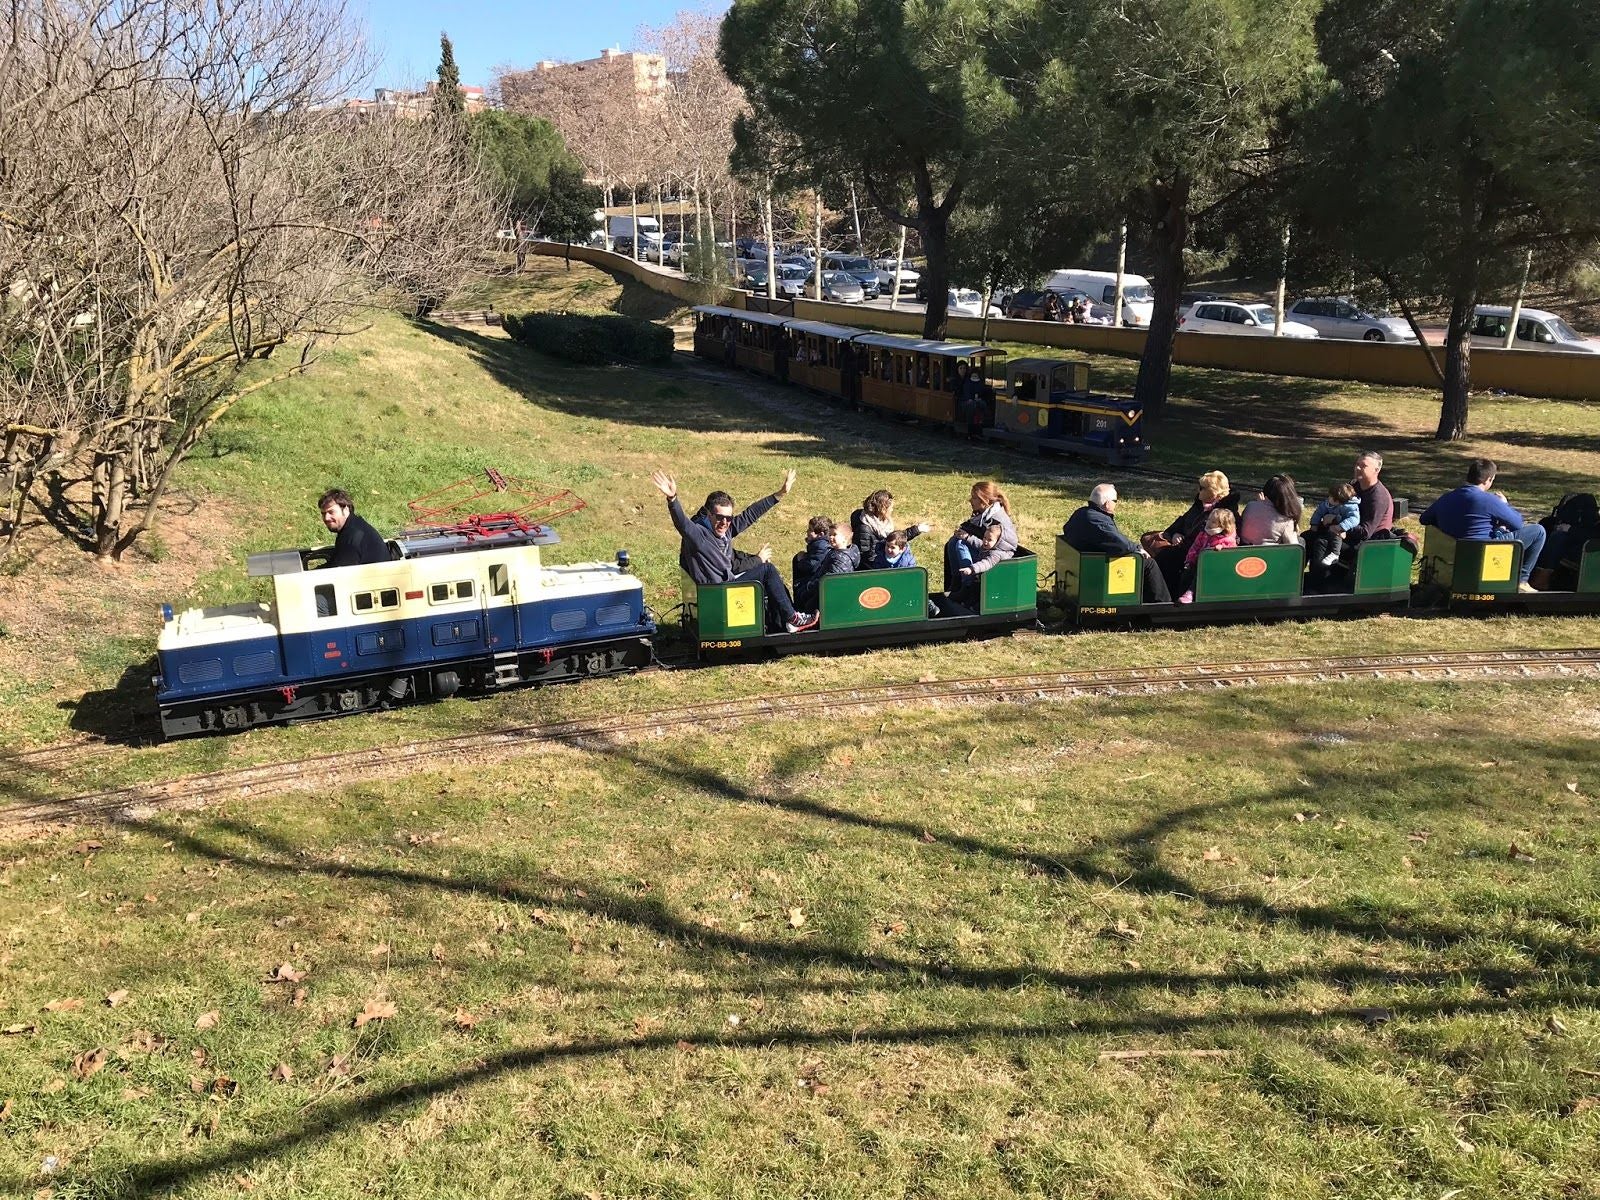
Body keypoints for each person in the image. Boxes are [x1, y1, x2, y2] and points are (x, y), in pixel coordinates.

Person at [651, 469, 817, 632]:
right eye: (719, 517)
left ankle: (781, 621)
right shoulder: (699, 536)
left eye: (729, 518)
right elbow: (683, 524)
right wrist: (672, 499)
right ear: (709, 515)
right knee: (767, 570)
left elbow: (750, 514)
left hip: (727, 585)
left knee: (766, 572)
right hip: (718, 593)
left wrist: (779, 494)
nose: (724, 522)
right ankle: (792, 619)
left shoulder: (726, 530)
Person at [1418, 458, 1547, 592]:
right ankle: (1522, 580)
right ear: (1488, 479)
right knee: (1538, 531)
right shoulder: (1489, 500)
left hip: (1455, 555)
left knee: (1499, 530)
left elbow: (1424, 519)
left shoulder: (1447, 497)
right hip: (1485, 554)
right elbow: (1518, 524)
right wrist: (1504, 504)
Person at [1060, 483, 1173, 603]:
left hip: (1088, 558)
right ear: (1107, 503)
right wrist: (1138, 548)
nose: (1116, 504)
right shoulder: (1098, 519)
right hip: (1099, 566)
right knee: (1148, 563)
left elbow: (1066, 529)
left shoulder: (1081, 512)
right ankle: (1162, 602)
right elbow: (1121, 545)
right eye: (1115, 501)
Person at [1143, 470, 1238, 594]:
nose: (1198, 490)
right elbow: (1183, 521)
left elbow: (1214, 537)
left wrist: (1183, 545)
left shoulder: (1222, 513)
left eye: (1202, 488)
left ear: (1213, 493)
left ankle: (1164, 598)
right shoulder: (1200, 504)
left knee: (1166, 559)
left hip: (1202, 553)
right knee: (1159, 551)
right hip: (1186, 547)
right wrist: (1175, 533)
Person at [944, 481, 1018, 606]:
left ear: (985, 501)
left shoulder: (997, 521)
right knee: (953, 542)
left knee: (961, 544)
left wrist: (967, 537)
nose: (970, 500)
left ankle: (968, 587)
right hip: (986, 550)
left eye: (973, 497)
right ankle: (956, 583)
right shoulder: (984, 514)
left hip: (994, 557)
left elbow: (991, 548)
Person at [1177, 508, 1237, 604]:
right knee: (1186, 574)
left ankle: (1190, 593)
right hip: (1199, 562)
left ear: (1222, 525)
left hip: (1216, 567)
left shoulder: (1228, 539)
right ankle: (1181, 594)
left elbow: (1231, 553)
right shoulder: (1203, 534)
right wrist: (1190, 560)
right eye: (1209, 519)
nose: (1208, 523)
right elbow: (1195, 546)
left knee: (1199, 574)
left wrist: (1222, 548)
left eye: (1213, 522)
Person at [851, 489, 931, 562]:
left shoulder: (883, 523)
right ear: (882, 509)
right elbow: (864, 558)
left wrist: (917, 529)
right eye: (890, 507)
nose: (892, 510)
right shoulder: (864, 529)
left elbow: (895, 538)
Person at [318, 488, 389, 568]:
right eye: (323, 514)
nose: (326, 518)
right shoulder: (353, 526)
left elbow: (341, 574)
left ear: (346, 510)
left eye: (331, 512)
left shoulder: (353, 537)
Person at [1304, 481, 1361, 570]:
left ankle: (1335, 553)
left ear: (1337, 500)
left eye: (1331, 497)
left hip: (1341, 530)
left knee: (1336, 532)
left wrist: (1341, 526)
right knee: (1307, 536)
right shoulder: (1328, 503)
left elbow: (1354, 519)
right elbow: (1319, 512)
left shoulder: (1350, 507)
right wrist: (1314, 524)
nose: (1328, 498)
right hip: (1327, 528)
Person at [1239, 474, 1303, 546]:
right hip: (1270, 555)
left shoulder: (1250, 506)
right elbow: (1293, 548)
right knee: (1301, 541)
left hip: (1245, 552)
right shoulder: (1285, 521)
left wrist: (1261, 504)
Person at [1349, 450, 1393, 548]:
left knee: (1323, 543)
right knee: (1311, 537)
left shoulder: (1378, 497)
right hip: (1350, 534)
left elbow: (1365, 533)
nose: (1357, 468)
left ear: (1376, 470)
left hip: (1369, 545)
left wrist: (1340, 523)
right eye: (1357, 464)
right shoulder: (1354, 486)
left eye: (1363, 466)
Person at [792, 515, 835, 612]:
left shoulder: (821, 546)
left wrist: (800, 560)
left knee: (800, 589)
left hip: (812, 579)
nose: (807, 532)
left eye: (810, 530)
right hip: (813, 577)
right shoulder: (819, 543)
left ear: (821, 534)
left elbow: (811, 566)